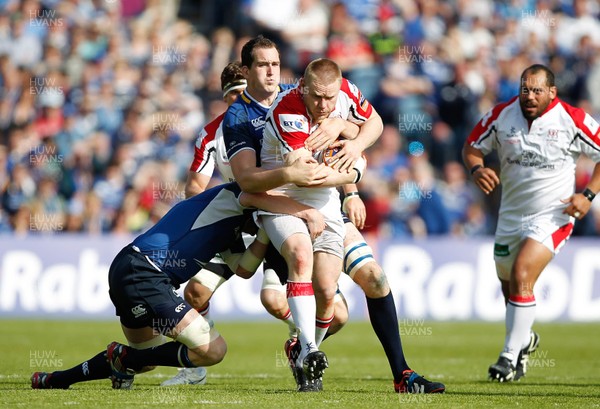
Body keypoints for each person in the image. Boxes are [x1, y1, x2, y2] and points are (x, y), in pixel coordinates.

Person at [260, 58, 445, 394]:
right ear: (302, 86)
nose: (324, 105)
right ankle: (308, 350)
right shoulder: (288, 112)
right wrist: (356, 172)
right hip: (286, 202)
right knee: (296, 278)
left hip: (330, 203)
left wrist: (354, 143)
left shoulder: (345, 92)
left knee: (364, 281)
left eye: (330, 98)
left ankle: (401, 375)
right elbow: (309, 175)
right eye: (317, 97)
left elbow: (373, 123)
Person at [30, 182, 325, 390]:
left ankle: (55, 379)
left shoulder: (232, 229)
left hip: (127, 267)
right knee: (213, 351)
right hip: (146, 271)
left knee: (143, 362)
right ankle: (122, 357)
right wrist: (305, 211)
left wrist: (263, 235)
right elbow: (250, 194)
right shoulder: (234, 195)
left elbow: (243, 269)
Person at [463, 64, 600, 383]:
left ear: (552, 92)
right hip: (510, 216)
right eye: (525, 89)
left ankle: (508, 358)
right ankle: (524, 340)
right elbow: (471, 147)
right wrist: (477, 170)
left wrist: (588, 195)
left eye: (537, 90)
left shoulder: (572, 119)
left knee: (523, 272)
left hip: (554, 215)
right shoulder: (501, 115)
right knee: (509, 287)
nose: (530, 96)